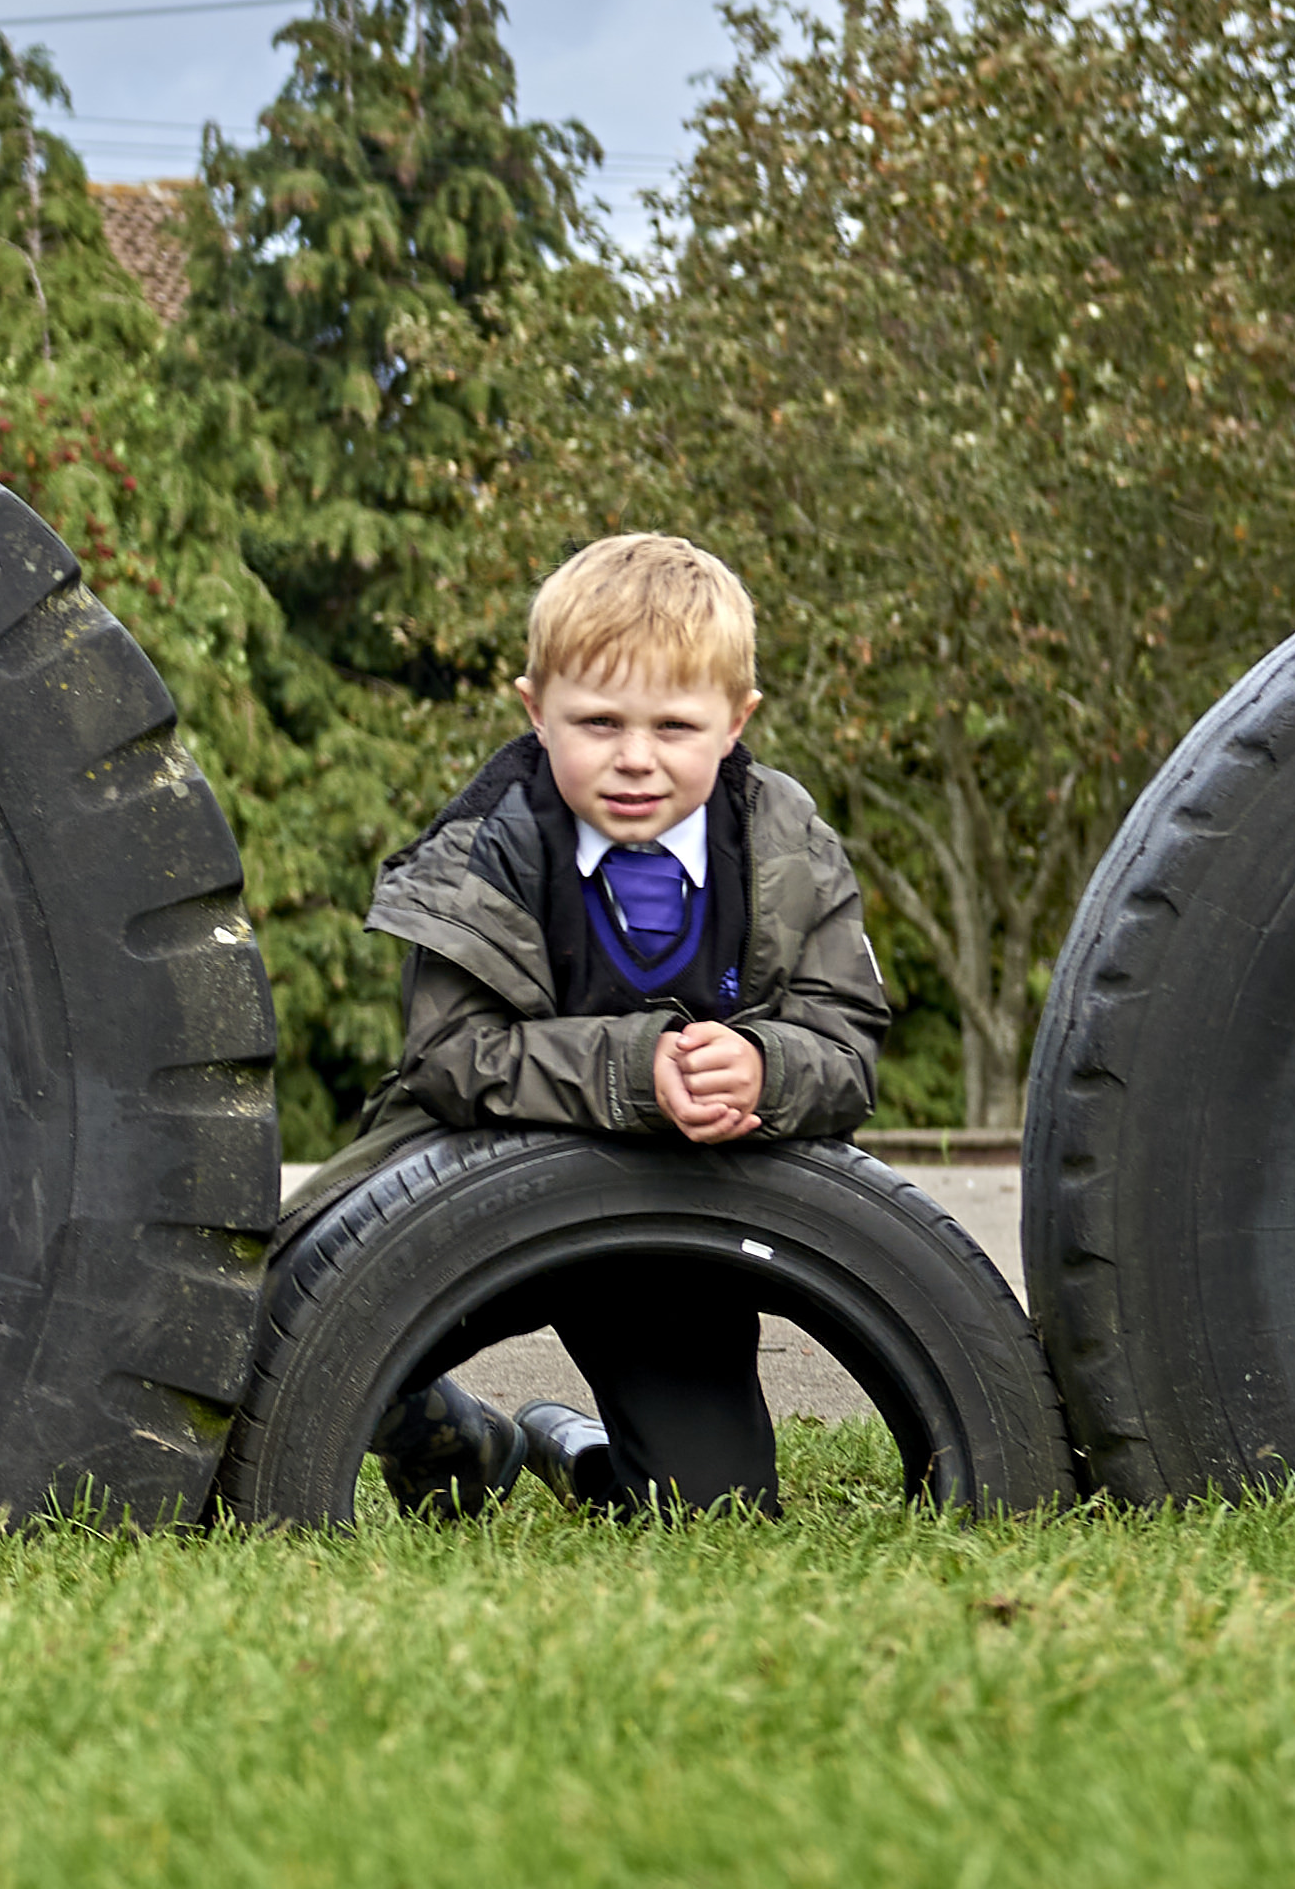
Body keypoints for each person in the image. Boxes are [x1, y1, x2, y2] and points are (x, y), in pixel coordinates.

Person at [294, 532, 899, 1518]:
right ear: (535, 712)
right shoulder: (485, 842)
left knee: (713, 1516)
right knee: (277, 1333)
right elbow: (448, 1057)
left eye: (672, 726)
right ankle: (447, 1437)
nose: (633, 759)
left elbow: (842, 1045)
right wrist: (634, 1067)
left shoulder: (784, 845)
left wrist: (762, 1066)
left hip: (669, 1216)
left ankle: (574, 1451)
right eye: (596, 721)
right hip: (468, 1183)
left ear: (734, 722)